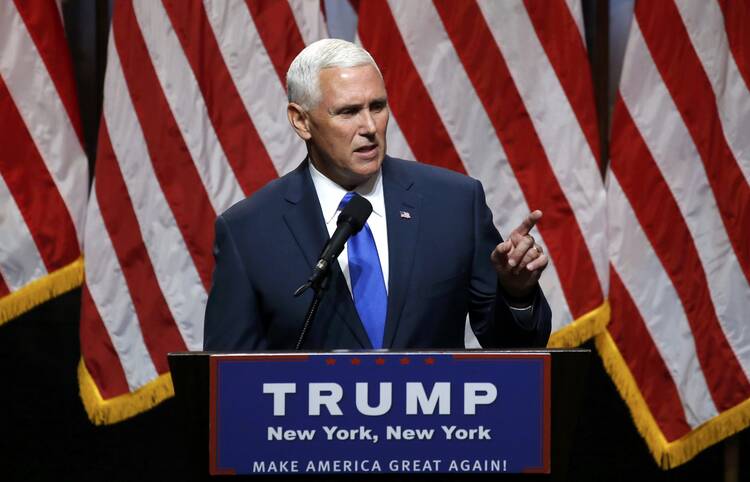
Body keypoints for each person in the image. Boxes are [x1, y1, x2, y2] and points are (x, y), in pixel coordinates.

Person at [203, 39, 551, 351]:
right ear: (301, 121)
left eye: (377, 106)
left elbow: (514, 351)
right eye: (348, 111)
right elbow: (225, 383)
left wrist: (517, 294)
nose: (369, 127)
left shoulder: (454, 204)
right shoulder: (249, 232)